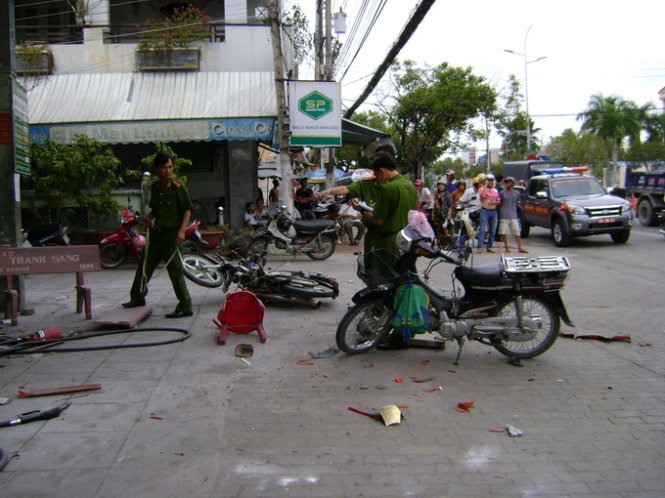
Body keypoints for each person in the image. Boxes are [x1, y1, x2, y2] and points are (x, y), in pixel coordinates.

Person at [123, 152, 193, 318]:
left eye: (170, 167)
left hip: (172, 237)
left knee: (175, 272)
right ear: (157, 169)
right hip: (156, 236)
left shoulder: (178, 187)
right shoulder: (155, 187)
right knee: (144, 266)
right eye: (164, 168)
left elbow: (187, 210)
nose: (168, 171)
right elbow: (156, 209)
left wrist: (182, 231)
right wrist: (150, 217)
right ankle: (138, 297)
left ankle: (185, 305)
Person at [352, 151, 418, 261]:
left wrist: (361, 210)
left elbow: (379, 221)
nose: (376, 178)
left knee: (384, 275)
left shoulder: (387, 188)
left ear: (381, 171)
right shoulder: (410, 186)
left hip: (387, 243)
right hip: (406, 240)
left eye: (376, 174)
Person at [499, 176, 528, 253]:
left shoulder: (517, 193)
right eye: (507, 182)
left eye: (509, 182)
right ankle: (506, 247)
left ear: (512, 183)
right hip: (504, 214)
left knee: (516, 232)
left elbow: (518, 203)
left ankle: (520, 247)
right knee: (504, 232)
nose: (508, 184)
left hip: (513, 214)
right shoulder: (502, 193)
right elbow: (500, 202)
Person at [477, 174, 500, 253]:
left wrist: (494, 202)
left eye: (491, 181)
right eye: (489, 180)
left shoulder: (495, 190)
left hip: (493, 211)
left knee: (493, 230)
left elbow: (499, 201)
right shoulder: (482, 189)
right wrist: (485, 185)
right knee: (482, 229)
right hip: (485, 210)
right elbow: (483, 196)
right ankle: (480, 247)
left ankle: (489, 246)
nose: (490, 182)